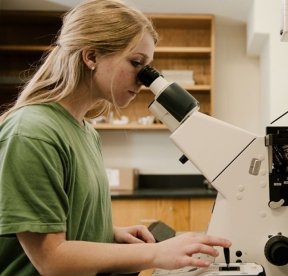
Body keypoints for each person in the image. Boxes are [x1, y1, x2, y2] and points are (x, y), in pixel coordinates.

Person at [0, 0, 231, 275]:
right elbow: (52, 258)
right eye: (136, 63)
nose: (144, 80)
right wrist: (154, 253)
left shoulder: (85, 131)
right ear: (92, 56)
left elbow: (58, 221)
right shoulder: (33, 132)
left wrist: (109, 233)